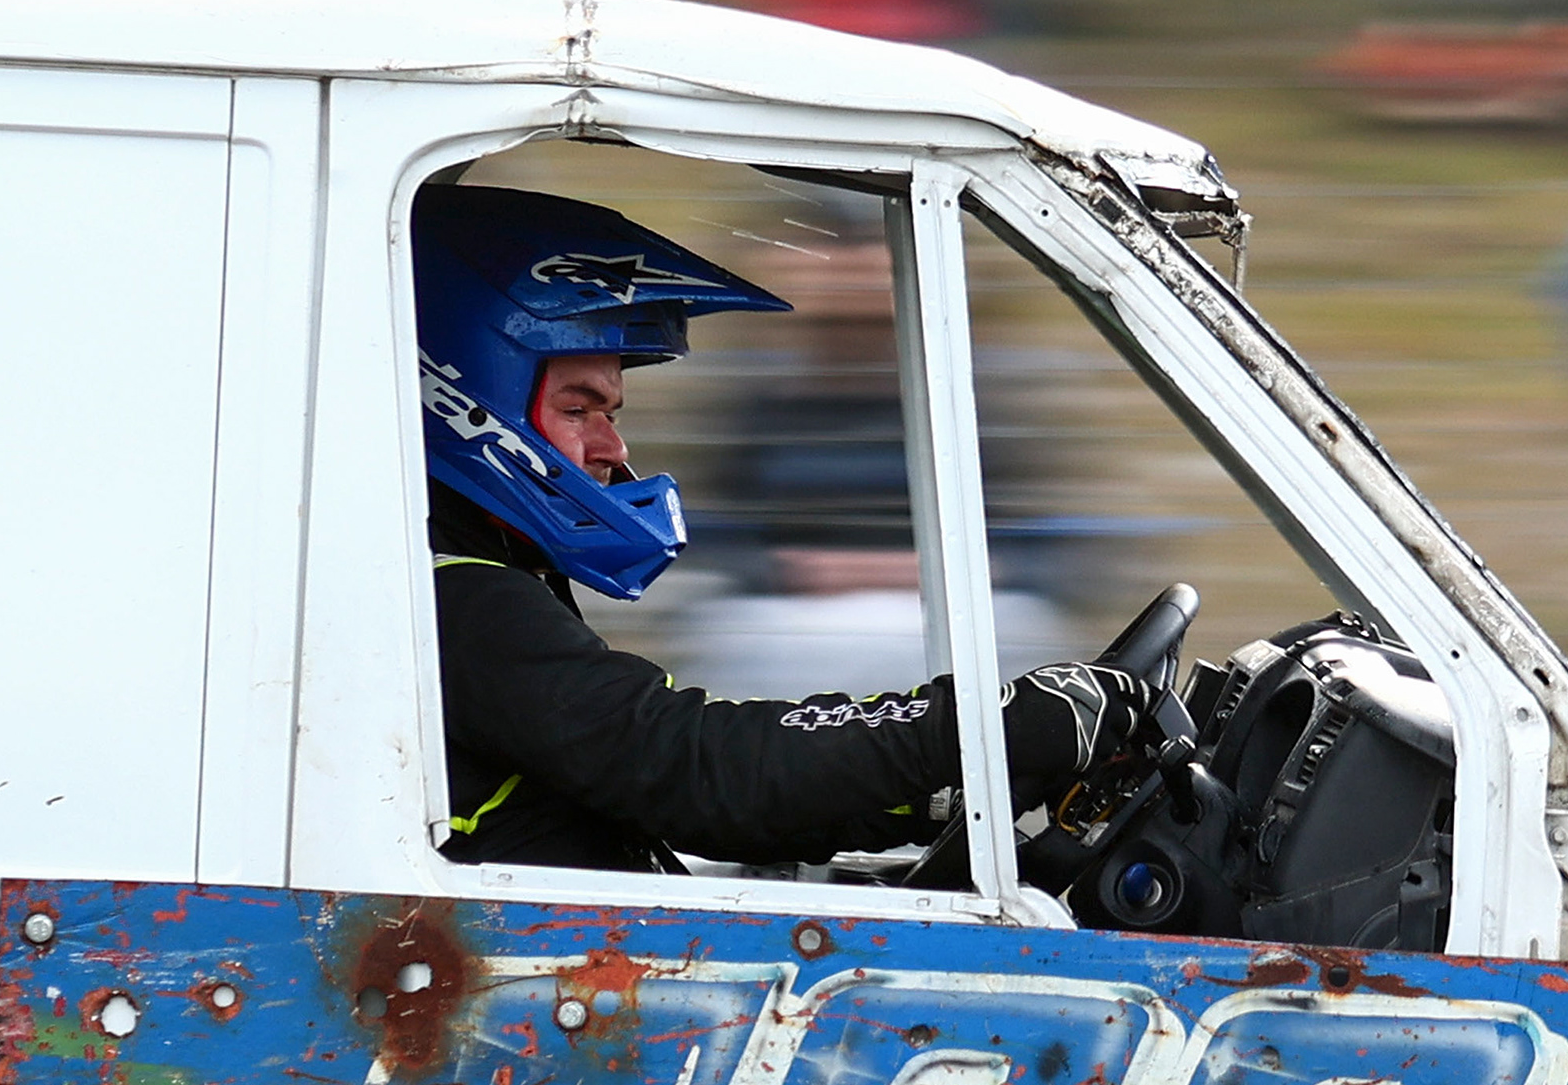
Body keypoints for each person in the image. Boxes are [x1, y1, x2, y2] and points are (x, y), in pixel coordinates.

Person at [412, 185, 1137, 876]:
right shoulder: (456, 605)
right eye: (580, 411)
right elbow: (700, 771)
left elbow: (721, 802)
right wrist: (982, 726)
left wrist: (940, 789)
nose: (613, 450)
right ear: (466, 402)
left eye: (615, 415)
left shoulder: (484, 581)